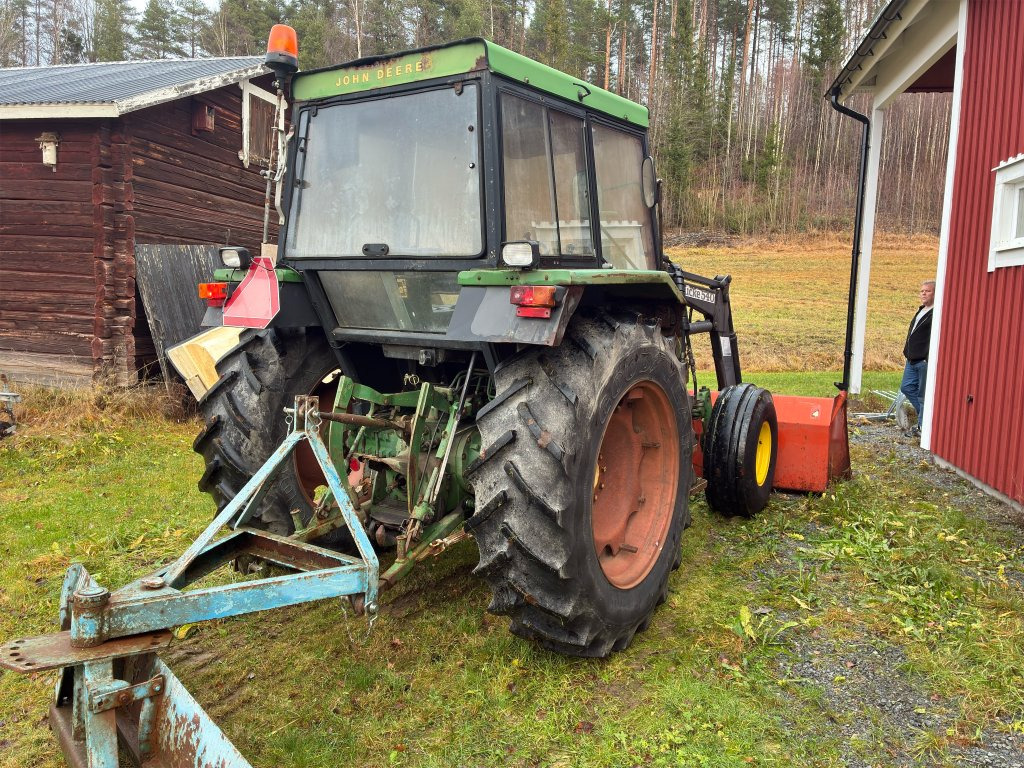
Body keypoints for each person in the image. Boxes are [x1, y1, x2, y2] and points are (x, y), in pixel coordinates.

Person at [900, 279, 935, 435]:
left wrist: (928, 356)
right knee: (906, 387)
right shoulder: (921, 310)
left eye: (927, 291)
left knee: (922, 395)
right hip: (911, 359)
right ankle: (926, 417)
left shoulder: (936, 313)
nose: (923, 293)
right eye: (921, 291)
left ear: (935, 293)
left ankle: (923, 427)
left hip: (923, 360)